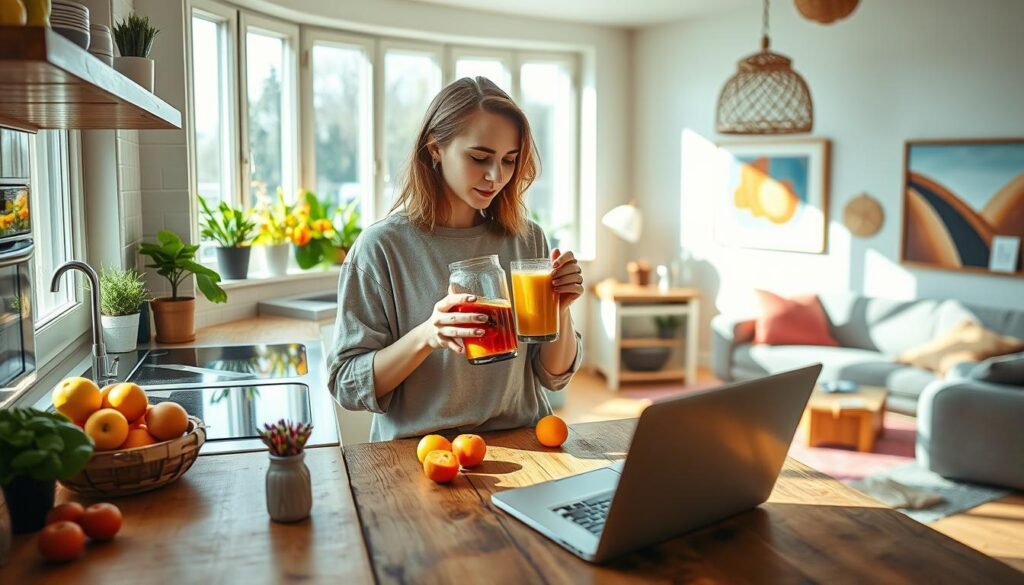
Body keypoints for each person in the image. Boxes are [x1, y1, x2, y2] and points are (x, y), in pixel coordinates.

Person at [327, 76, 584, 442]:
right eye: (479, 158)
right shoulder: (381, 248)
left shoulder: (527, 239)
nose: (496, 176)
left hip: (524, 442)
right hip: (421, 452)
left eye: (509, 160)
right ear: (435, 149)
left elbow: (554, 375)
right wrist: (428, 335)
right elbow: (347, 384)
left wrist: (560, 309)